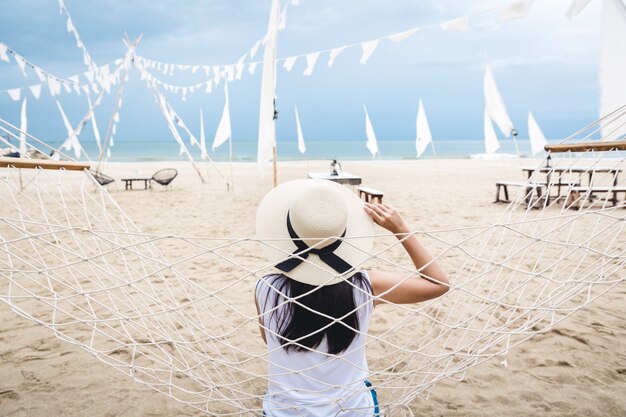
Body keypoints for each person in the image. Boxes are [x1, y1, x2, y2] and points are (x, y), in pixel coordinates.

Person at [255, 179, 448, 416]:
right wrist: (401, 229)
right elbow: (438, 284)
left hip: (284, 412)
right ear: (344, 237)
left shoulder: (265, 288)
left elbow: (270, 340)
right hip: (353, 411)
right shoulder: (366, 285)